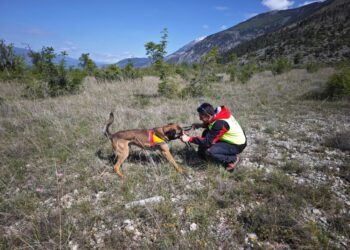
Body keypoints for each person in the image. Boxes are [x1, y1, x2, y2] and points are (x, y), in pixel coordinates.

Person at [180, 103, 246, 171]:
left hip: (237, 144)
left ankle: (233, 159)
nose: (200, 118)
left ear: (208, 116)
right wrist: (200, 125)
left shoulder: (220, 123)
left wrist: (189, 138)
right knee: (206, 132)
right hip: (233, 138)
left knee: (210, 151)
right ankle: (201, 155)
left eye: (201, 117)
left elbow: (207, 141)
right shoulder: (218, 113)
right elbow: (213, 122)